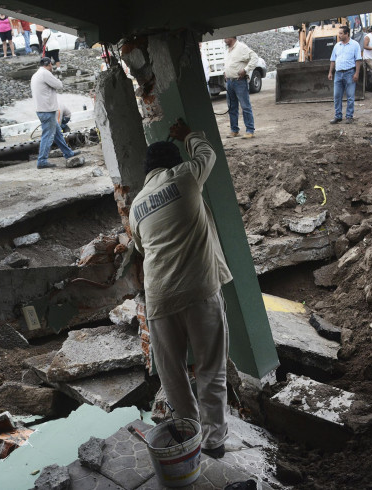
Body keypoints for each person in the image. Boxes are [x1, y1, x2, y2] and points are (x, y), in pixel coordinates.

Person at [128, 119, 232, 460]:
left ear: (147, 172)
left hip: (159, 300)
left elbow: (143, 249)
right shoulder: (185, 176)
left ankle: (189, 440)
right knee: (210, 369)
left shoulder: (136, 206)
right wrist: (189, 134)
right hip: (199, 291)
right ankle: (214, 443)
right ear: (173, 164)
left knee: (173, 377)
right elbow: (208, 153)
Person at [30, 57, 81, 169]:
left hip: (42, 110)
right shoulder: (45, 74)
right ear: (48, 65)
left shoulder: (36, 74)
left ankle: (68, 153)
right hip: (47, 110)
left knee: (57, 134)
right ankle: (42, 160)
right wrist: (57, 79)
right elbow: (59, 85)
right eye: (51, 65)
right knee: (48, 136)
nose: (52, 67)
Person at [224, 36, 258, 137]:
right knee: (231, 107)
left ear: (232, 36)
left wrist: (246, 70)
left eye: (225, 37)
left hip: (239, 82)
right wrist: (225, 72)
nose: (223, 39)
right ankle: (234, 130)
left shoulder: (241, 47)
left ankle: (250, 131)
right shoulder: (227, 50)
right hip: (229, 82)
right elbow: (228, 64)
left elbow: (254, 57)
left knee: (245, 106)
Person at [328, 25, 362, 124]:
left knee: (350, 96)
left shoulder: (355, 45)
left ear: (347, 34)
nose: (339, 35)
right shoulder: (337, 46)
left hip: (350, 73)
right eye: (339, 33)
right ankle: (338, 116)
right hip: (338, 73)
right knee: (337, 96)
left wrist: (356, 73)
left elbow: (358, 60)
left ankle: (349, 116)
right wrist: (330, 72)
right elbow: (333, 60)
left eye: (341, 33)